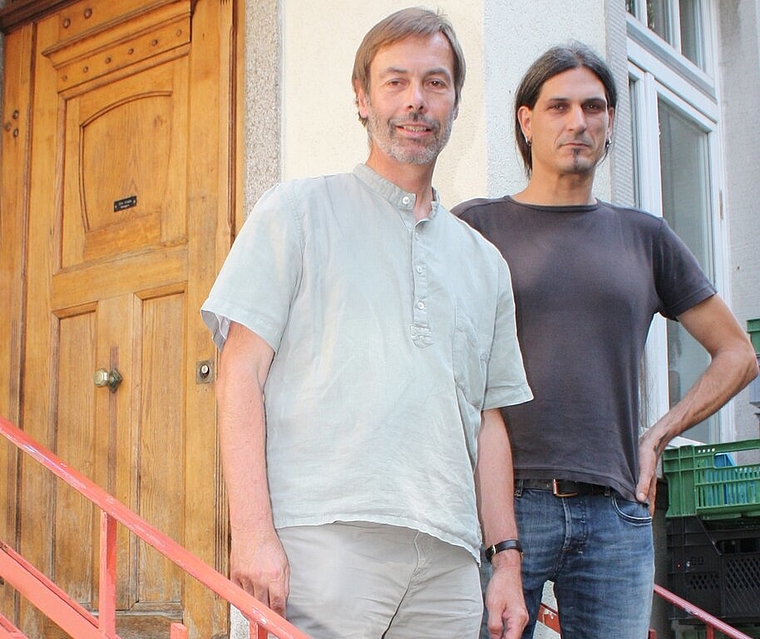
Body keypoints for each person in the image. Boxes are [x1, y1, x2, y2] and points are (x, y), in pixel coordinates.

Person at [201, 8, 533, 639]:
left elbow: (490, 421)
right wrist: (252, 533)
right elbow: (238, 371)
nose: (416, 101)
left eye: (435, 83)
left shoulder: (486, 264)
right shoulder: (295, 210)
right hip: (322, 544)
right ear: (362, 97)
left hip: (449, 560)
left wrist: (506, 564)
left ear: (455, 101)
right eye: (395, 81)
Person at [454, 41, 759, 639]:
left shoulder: (644, 237)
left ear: (610, 121)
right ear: (526, 120)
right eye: (559, 106)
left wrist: (658, 436)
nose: (578, 122)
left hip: (616, 512)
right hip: (501, 509)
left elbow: (738, 355)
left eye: (593, 108)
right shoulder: (477, 227)